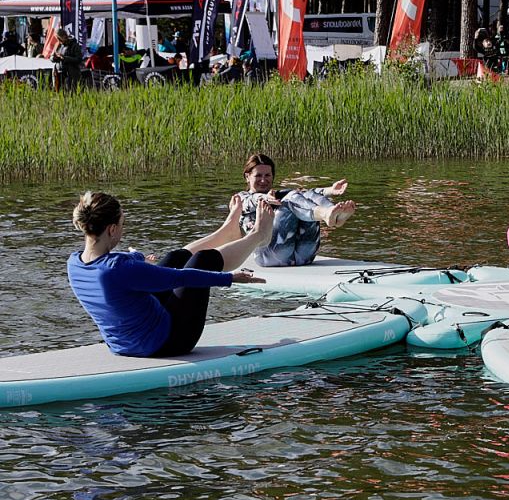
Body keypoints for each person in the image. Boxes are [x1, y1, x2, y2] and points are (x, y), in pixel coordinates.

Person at [67, 191, 271, 357]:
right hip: (170, 342)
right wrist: (230, 278)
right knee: (203, 260)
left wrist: (138, 258)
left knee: (174, 257)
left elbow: (121, 264)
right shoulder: (118, 269)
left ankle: (226, 232)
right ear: (111, 229)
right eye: (122, 225)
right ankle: (259, 235)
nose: (122, 230)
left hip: (123, 345)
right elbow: (180, 278)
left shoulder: (74, 263)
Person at [223, 153, 358, 267]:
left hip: (305, 256)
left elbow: (308, 193)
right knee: (290, 199)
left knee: (305, 196)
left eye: (267, 175)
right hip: (268, 256)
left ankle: (333, 215)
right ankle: (326, 214)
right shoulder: (240, 199)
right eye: (258, 176)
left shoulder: (281, 194)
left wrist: (330, 190)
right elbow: (251, 201)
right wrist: (264, 198)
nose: (263, 180)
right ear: (247, 177)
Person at [53, 27, 83, 92]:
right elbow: (51, 56)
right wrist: (54, 58)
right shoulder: (58, 45)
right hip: (59, 73)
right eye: (58, 39)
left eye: (60, 39)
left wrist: (64, 58)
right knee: (61, 93)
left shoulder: (74, 45)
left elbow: (79, 59)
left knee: (71, 92)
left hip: (71, 74)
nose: (59, 41)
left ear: (65, 36)